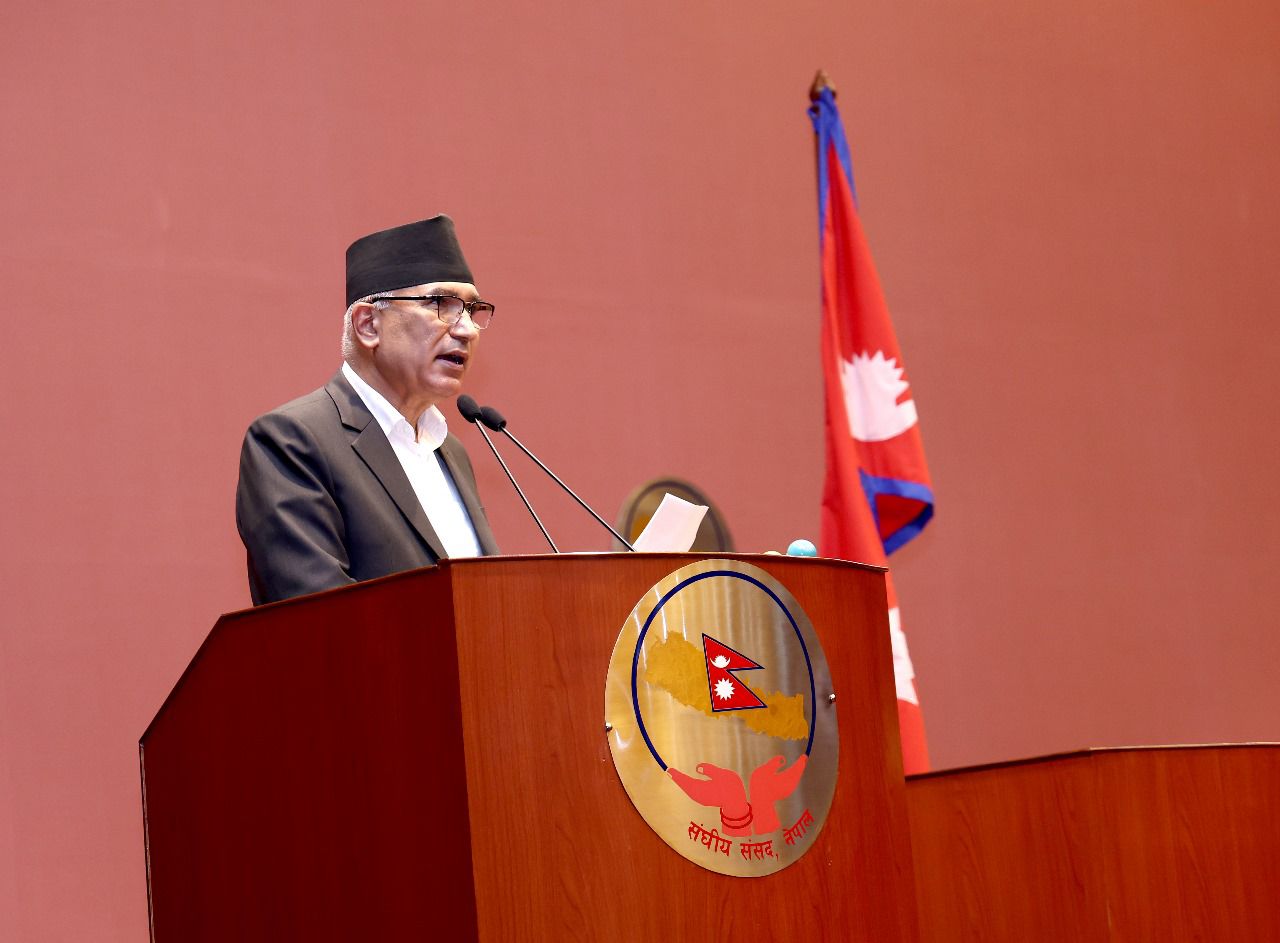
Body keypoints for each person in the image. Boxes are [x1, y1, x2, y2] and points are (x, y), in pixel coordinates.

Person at [236, 215, 499, 605]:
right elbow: (321, 614)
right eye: (440, 304)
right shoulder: (292, 441)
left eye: (472, 310)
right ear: (368, 325)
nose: (467, 329)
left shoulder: (450, 452)